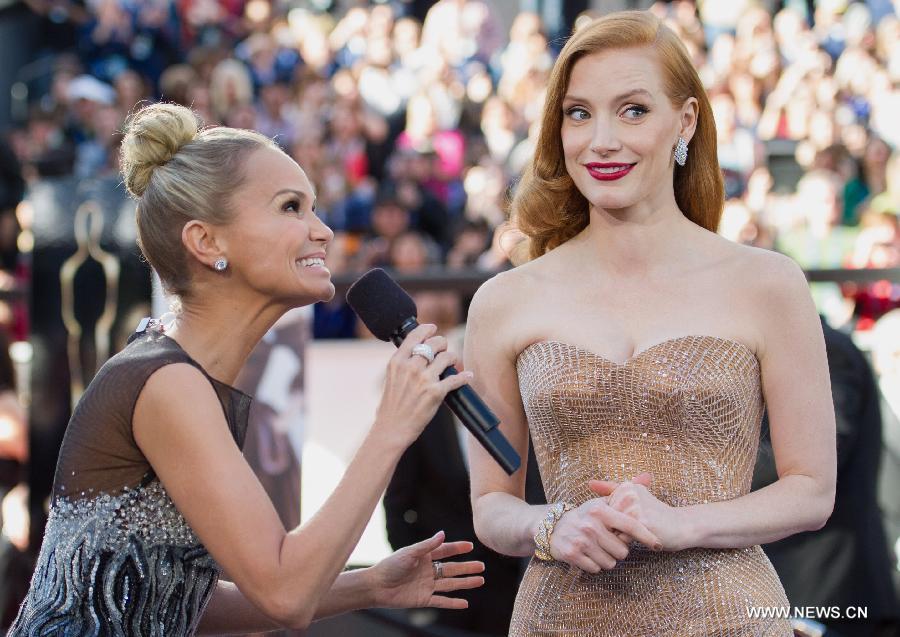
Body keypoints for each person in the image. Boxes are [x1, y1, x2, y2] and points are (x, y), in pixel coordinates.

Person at [9, 102, 484, 635]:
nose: (323, 230)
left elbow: (172, 597)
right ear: (207, 241)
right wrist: (392, 426)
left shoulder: (180, 373)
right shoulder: (168, 383)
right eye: (290, 207)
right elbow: (286, 594)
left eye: (313, 207)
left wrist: (367, 585)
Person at [463, 11, 836, 636]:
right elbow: (491, 503)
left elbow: (811, 489)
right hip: (559, 619)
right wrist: (550, 525)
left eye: (632, 110)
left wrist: (686, 525)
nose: (600, 140)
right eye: (578, 113)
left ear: (684, 121)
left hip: (728, 617)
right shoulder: (505, 300)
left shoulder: (768, 283)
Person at [753, 317, 899, 637]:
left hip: (827, 588)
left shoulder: (824, 349)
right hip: (804, 581)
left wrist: (703, 474)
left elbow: (820, 451)